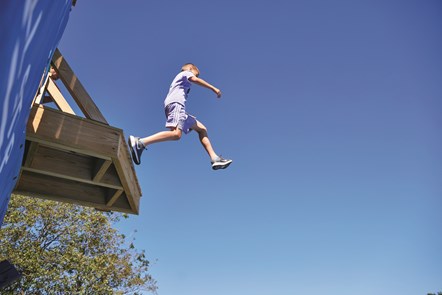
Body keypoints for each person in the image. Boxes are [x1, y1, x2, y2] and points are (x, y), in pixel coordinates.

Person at [128, 63, 232, 170]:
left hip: (177, 108)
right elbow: (195, 80)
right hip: (176, 104)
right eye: (196, 74)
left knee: (202, 129)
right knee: (176, 134)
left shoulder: (180, 80)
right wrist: (213, 88)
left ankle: (214, 158)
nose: (196, 77)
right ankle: (140, 142)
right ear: (191, 69)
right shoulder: (186, 73)